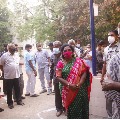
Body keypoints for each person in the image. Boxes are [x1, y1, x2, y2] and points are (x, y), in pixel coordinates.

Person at [56, 44, 92, 119]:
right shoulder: (60, 63)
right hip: (68, 90)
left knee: (83, 107)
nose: (67, 52)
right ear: (62, 53)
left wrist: (80, 83)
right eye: (65, 51)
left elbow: (84, 72)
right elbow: (58, 77)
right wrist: (69, 85)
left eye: (69, 50)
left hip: (80, 89)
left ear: (73, 52)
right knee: (72, 109)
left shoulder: (78, 61)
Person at [100, 30, 120, 118]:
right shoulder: (106, 49)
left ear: (117, 36)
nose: (110, 37)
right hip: (108, 78)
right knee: (108, 98)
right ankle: (109, 116)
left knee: (117, 100)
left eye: (112, 35)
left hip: (118, 78)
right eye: (108, 35)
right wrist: (102, 77)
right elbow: (104, 64)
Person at [0, 43, 24, 109]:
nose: (14, 50)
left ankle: (19, 101)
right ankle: (10, 103)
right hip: (8, 76)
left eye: (14, 49)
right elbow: (1, 65)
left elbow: (17, 62)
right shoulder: (4, 56)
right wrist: (4, 71)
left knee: (17, 89)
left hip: (16, 75)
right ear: (9, 49)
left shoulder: (16, 54)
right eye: (12, 49)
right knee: (9, 90)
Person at [51, 41, 64, 117]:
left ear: (60, 46)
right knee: (57, 94)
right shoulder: (52, 55)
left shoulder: (64, 55)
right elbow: (52, 67)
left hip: (64, 77)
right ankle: (59, 109)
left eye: (57, 46)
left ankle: (66, 107)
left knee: (65, 92)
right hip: (56, 78)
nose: (55, 47)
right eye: (54, 46)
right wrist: (50, 78)